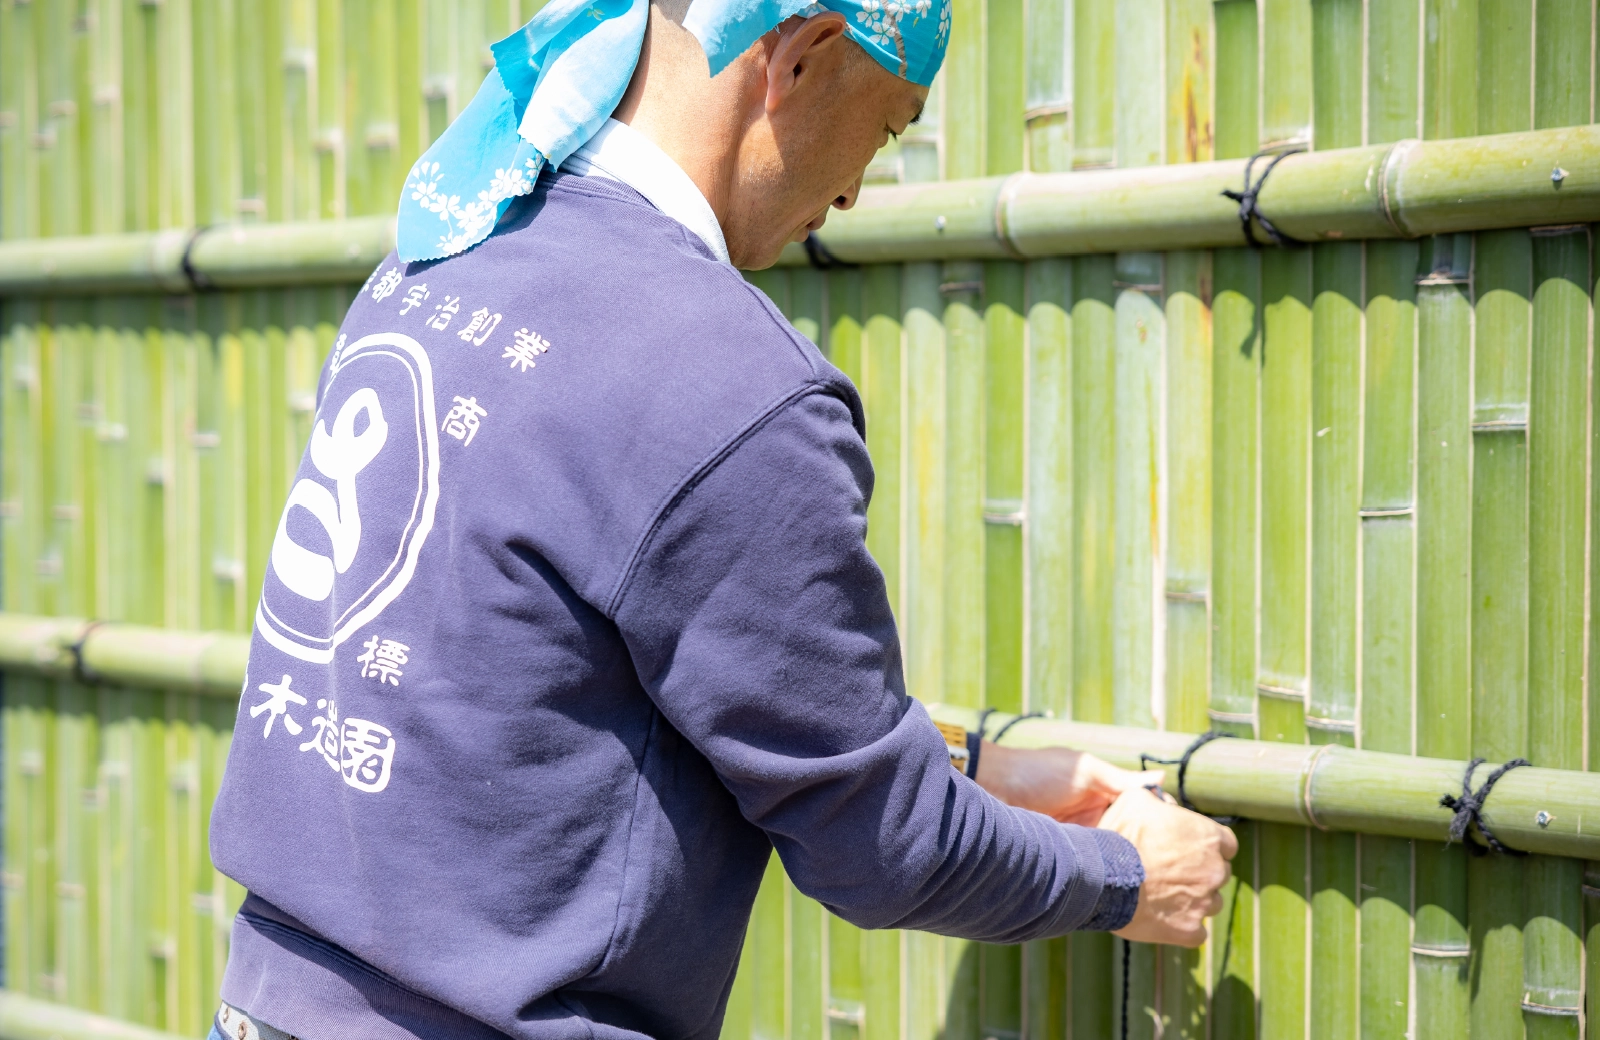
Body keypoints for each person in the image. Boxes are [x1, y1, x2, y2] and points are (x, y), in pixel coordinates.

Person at [207, 0, 1237, 1037]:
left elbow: (526, 682)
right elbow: (881, 843)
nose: (849, 190)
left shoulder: (443, 257)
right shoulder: (730, 384)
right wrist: (1124, 874)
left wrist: (962, 762)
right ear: (804, 54)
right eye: (884, 130)